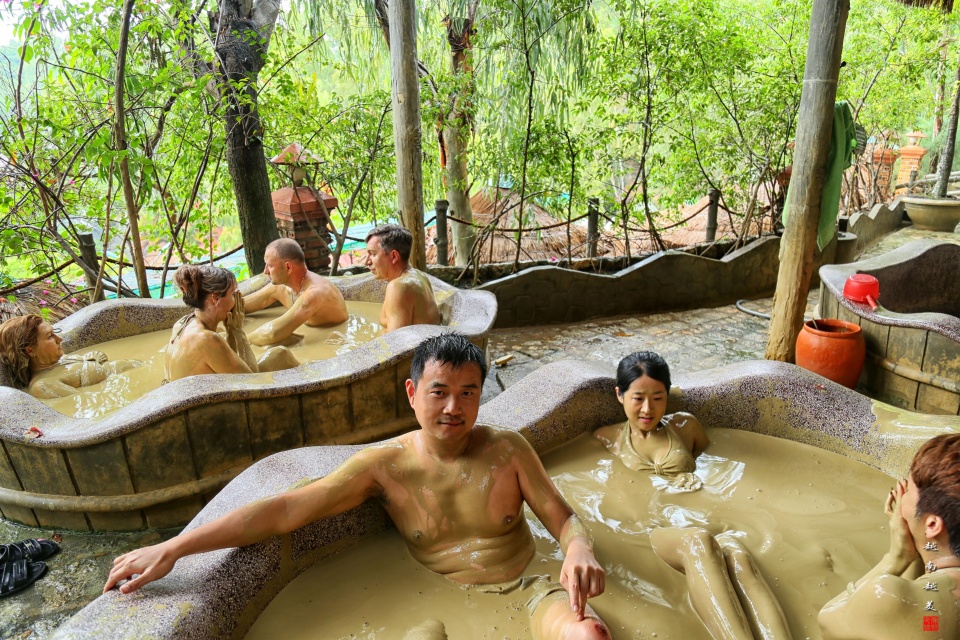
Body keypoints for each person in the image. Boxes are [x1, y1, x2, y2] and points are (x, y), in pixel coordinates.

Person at [105, 333, 610, 640]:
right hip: (436, 595)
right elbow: (285, 510)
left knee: (589, 633)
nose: (454, 408)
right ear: (412, 394)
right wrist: (175, 546)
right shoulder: (384, 466)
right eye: (440, 392)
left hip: (528, 585)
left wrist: (579, 548)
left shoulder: (509, 449)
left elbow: (563, 519)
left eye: (468, 393)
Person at [595, 351, 793, 640]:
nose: (648, 408)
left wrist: (694, 476)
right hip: (650, 528)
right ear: (620, 395)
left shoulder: (686, 427)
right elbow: (607, 496)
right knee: (698, 542)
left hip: (695, 515)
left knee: (737, 554)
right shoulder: (607, 439)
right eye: (638, 398)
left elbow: (714, 464)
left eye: (658, 397)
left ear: (668, 395)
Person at [818, 433, 960, 640]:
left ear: (932, 524)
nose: (901, 497)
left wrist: (896, 558)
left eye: (908, 490)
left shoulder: (884, 596)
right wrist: (919, 550)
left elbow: (827, 624)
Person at [165, 264, 299, 381]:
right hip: (203, 409)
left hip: (197, 400)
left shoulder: (182, 323)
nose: (238, 299)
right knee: (281, 355)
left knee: (277, 355)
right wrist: (238, 331)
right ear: (215, 298)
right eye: (233, 293)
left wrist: (230, 333)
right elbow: (253, 384)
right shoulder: (206, 339)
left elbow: (229, 368)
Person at [0, 314, 140, 399]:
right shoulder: (43, 386)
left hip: (135, 373)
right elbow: (86, 399)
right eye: (50, 336)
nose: (59, 338)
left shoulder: (61, 360)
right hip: (134, 385)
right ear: (30, 350)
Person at [242, 238, 348, 345]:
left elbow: (274, 332)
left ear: (288, 267)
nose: (265, 271)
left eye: (270, 266)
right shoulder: (281, 287)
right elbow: (243, 305)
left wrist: (239, 340)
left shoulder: (315, 293)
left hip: (335, 341)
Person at [364, 224, 441, 333]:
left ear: (394, 256)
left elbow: (396, 345)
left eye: (372, 254)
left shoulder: (398, 287)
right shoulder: (420, 276)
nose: (366, 261)